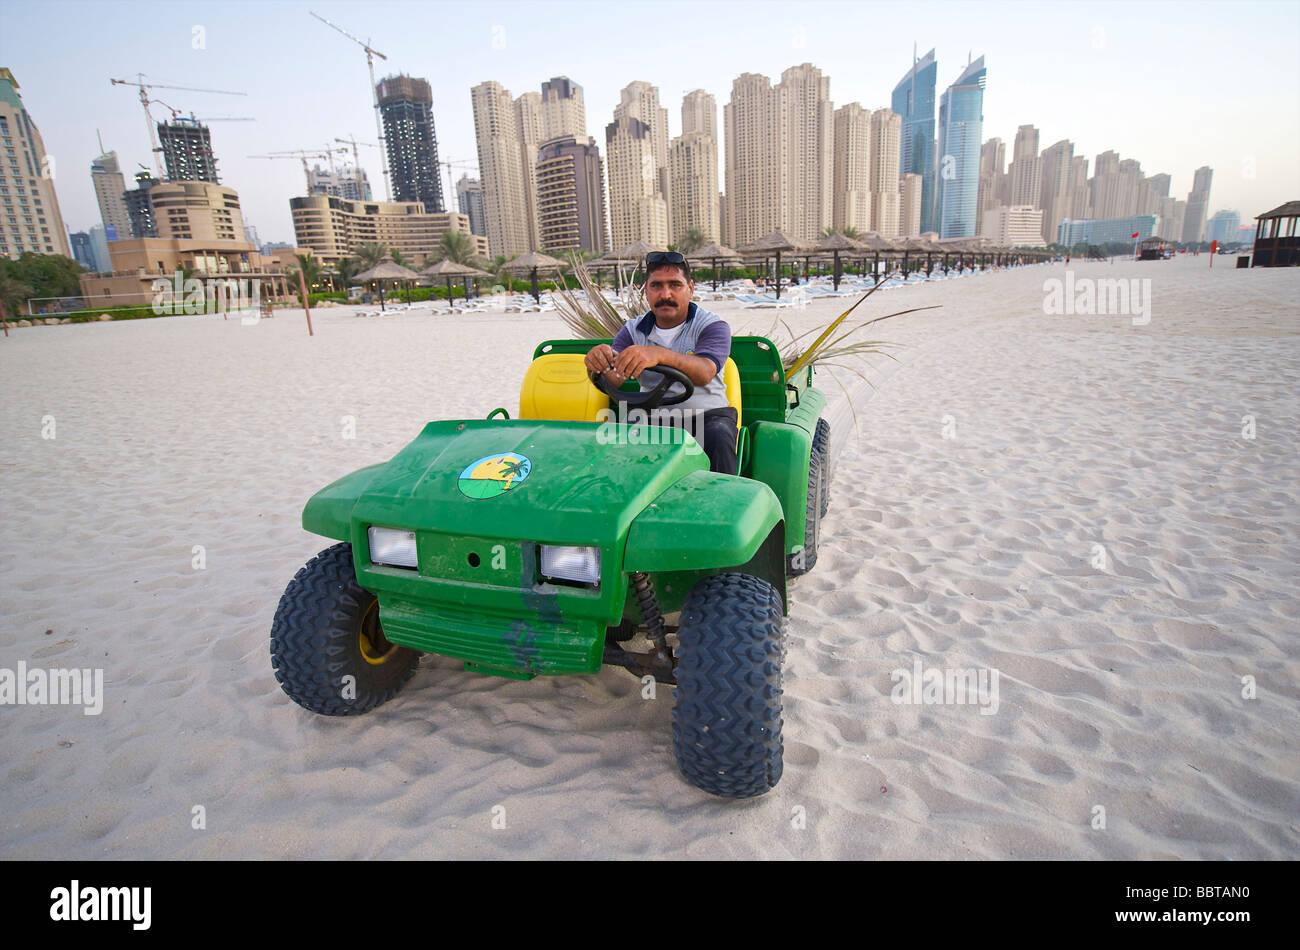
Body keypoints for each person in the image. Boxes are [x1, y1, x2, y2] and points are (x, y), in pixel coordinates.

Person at [584, 251, 738, 475]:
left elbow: (705, 371)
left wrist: (659, 355)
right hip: (652, 415)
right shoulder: (632, 330)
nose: (666, 294)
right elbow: (615, 378)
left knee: (719, 435)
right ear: (646, 291)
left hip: (707, 416)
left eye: (675, 284)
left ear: (690, 288)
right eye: (656, 285)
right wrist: (598, 361)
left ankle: (724, 504)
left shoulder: (712, 326)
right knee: (614, 443)